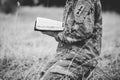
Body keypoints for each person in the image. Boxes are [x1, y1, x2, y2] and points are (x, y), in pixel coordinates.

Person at [40, 0, 103, 79]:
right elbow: (73, 26)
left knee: (51, 78)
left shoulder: (83, 1)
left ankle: (86, 73)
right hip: (67, 53)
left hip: (81, 56)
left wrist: (56, 34)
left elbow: (83, 31)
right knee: (42, 74)